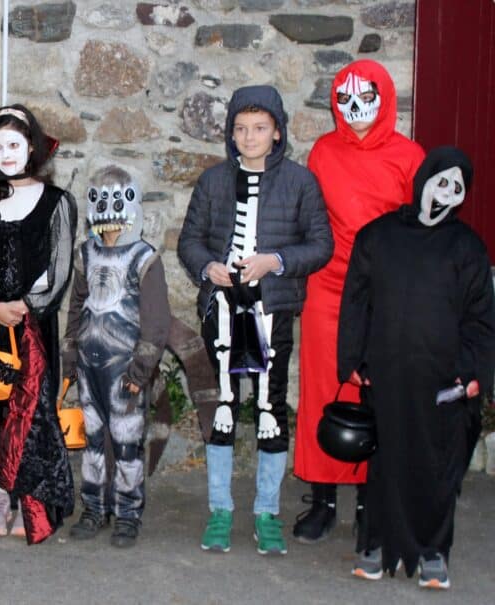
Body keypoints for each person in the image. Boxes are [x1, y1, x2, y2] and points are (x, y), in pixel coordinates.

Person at [178, 85, 333, 556]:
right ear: (231, 133)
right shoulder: (212, 182)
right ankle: (220, 509)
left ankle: (267, 510)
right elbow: (191, 241)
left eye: (259, 128)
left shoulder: (301, 184)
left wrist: (277, 260)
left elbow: (320, 245)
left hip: (274, 310)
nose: (249, 137)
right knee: (222, 407)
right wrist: (208, 267)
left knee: (271, 410)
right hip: (222, 310)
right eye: (241, 129)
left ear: (277, 132)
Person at [338, 147, 495, 588]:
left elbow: (481, 318)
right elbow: (356, 302)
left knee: (436, 464)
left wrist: (474, 372)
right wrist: (352, 359)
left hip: (443, 379)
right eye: (440, 181)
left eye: (456, 187)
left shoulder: (467, 247)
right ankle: (375, 545)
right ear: (423, 180)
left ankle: (433, 551)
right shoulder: (378, 236)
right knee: (385, 460)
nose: (446, 193)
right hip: (386, 372)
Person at [294, 59, 426, 543]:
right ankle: (324, 499)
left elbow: (421, 230)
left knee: (381, 391)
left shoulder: (411, 157)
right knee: (323, 389)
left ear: (384, 97)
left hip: (386, 289)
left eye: (365, 99)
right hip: (327, 287)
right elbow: (308, 220)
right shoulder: (323, 152)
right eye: (344, 101)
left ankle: (374, 502)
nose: (354, 110)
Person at [0, 105, 76, 544]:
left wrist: (26, 305)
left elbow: (60, 265)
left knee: (34, 407)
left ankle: (30, 488)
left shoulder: (56, 202)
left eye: (14, 144)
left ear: (31, 146)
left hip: (33, 323)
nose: (6, 154)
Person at [61, 165, 167, 547]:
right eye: (99, 197)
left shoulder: (144, 258)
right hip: (90, 366)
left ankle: (127, 513)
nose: (108, 206)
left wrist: (141, 369)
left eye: (116, 196)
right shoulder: (85, 254)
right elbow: (77, 306)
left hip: (125, 369)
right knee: (92, 442)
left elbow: (156, 321)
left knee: (126, 445)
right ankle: (93, 507)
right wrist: (70, 354)